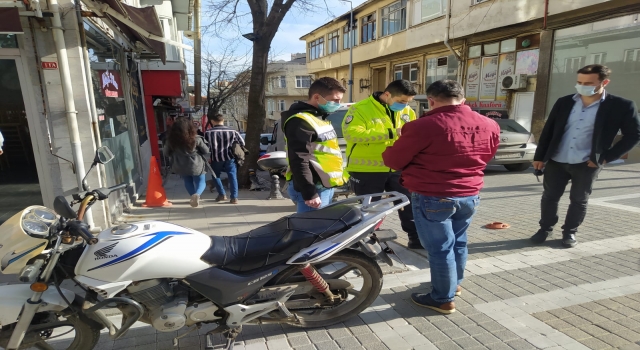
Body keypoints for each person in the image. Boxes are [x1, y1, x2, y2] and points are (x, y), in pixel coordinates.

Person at [382, 80, 500, 314]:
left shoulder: (423, 126)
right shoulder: (489, 124)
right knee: (458, 242)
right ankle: (453, 285)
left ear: (432, 101)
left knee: (440, 248)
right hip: (469, 193)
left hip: (433, 195)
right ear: (463, 100)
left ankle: (442, 298)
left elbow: (393, 160)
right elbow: (487, 156)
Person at [531, 64, 640, 248]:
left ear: (604, 82)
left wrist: (605, 158)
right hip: (557, 160)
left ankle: (570, 232)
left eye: (588, 83)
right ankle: (545, 229)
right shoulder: (564, 102)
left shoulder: (621, 106)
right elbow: (549, 131)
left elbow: (634, 135)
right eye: (579, 82)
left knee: (579, 199)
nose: (582, 86)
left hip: (587, 163)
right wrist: (539, 156)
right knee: (549, 197)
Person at [342, 80, 421, 248]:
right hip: (366, 170)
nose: (405, 105)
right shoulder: (360, 108)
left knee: (409, 205)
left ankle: (415, 238)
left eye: (408, 102)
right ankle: (365, 244)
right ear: (387, 95)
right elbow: (352, 134)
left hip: (398, 168)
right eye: (401, 101)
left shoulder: (407, 111)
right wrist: (391, 133)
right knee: (370, 210)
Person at [281, 77, 349, 213]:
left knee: (319, 229)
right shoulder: (300, 121)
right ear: (317, 97)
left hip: (324, 186)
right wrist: (309, 192)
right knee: (311, 231)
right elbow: (299, 159)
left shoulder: (319, 117)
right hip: (314, 188)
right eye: (335, 100)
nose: (339, 104)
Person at [164, 117, 210, 208]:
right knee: (201, 181)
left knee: (187, 181)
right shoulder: (197, 139)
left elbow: (166, 153)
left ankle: (192, 196)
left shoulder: (171, 141)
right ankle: (196, 195)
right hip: (196, 164)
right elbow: (206, 151)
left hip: (180, 165)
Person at [204, 114, 244, 204]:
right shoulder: (233, 131)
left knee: (215, 176)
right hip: (230, 157)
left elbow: (205, 147)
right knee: (232, 176)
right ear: (223, 120)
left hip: (215, 158)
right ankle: (234, 198)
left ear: (213, 121)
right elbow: (242, 142)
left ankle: (222, 194)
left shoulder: (208, 132)